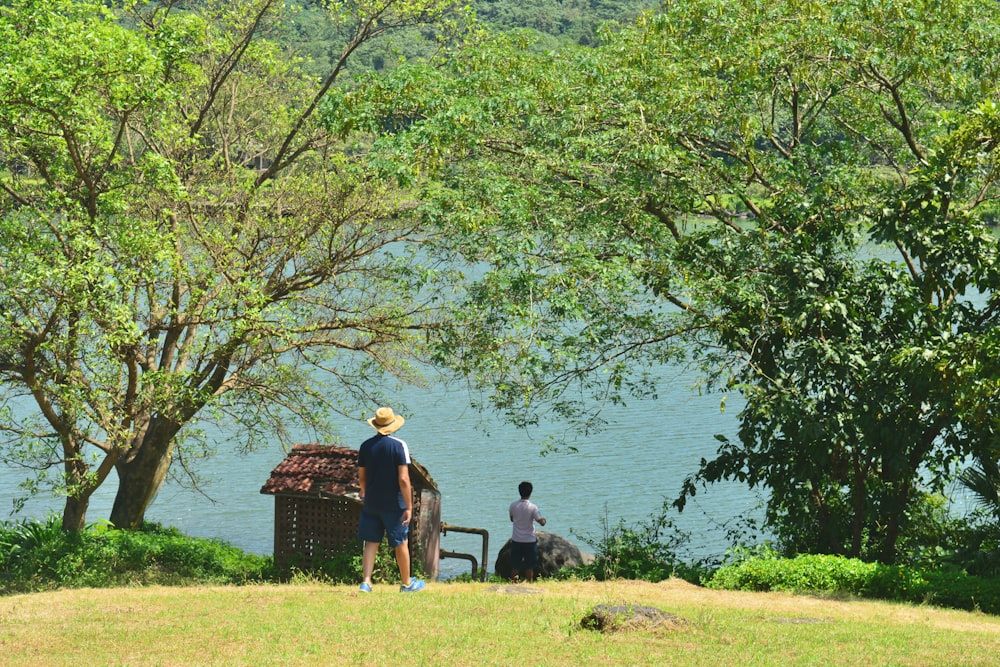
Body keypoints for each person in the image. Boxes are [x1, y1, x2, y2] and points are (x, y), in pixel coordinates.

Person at [357, 406, 425, 593]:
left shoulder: (365, 446)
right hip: (394, 504)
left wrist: (364, 491)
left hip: (372, 501)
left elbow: (362, 475)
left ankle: (366, 582)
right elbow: (403, 479)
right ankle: (406, 583)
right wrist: (409, 506)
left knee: (371, 542)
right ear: (393, 425)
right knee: (400, 542)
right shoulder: (398, 446)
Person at [508, 480, 546, 583]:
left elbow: (512, 519)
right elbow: (541, 522)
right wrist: (544, 520)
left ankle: (513, 583)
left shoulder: (513, 505)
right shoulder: (533, 507)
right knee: (529, 566)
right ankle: (529, 584)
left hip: (516, 539)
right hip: (529, 540)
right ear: (531, 492)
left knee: (515, 566)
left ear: (519, 491)